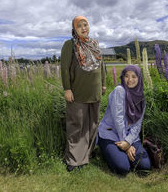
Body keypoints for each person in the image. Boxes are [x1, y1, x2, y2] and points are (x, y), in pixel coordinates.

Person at [61, 15, 106, 172]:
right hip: (77, 92)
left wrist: (104, 84)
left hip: (95, 92)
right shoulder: (69, 45)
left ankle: (88, 154)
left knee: (92, 124)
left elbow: (101, 66)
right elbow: (65, 68)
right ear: (74, 29)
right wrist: (67, 88)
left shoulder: (94, 44)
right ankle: (73, 159)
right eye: (79, 25)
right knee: (76, 125)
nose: (83, 28)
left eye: (85, 24)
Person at [98, 65, 151, 176]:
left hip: (129, 137)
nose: (130, 80)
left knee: (145, 167)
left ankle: (124, 155)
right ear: (122, 77)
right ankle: (105, 148)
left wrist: (128, 142)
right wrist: (126, 146)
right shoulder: (119, 91)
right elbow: (119, 120)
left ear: (139, 78)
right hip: (111, 134)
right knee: (122, 168)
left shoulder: (141, 97)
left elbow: (137, 124)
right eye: (126, 76)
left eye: (133, 76)